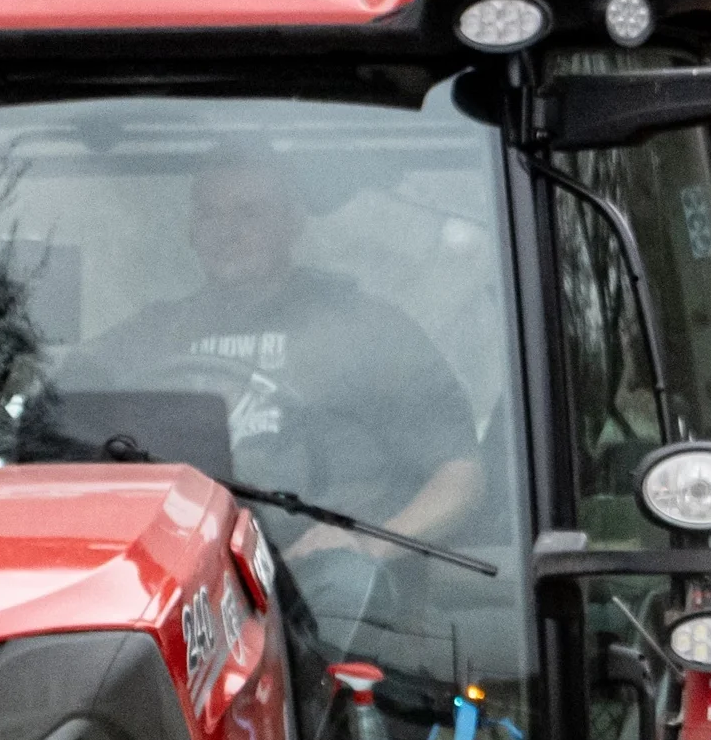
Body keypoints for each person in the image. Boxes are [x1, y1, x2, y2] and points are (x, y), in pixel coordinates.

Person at [94, 149, 492, 549]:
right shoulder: (146, 340)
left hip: (327, 586)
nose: (225, 231)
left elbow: (460, 476)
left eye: (249, 214)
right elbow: (48, 431)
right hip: (184, 569)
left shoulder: (367, 330)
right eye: (209, 214)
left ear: (291, 224)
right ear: (191, 231)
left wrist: (370, 548)